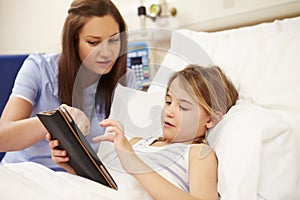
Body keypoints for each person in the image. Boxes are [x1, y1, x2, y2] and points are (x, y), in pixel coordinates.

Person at [49, 64, 239, 199]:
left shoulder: (198, 153)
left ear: (211, 119)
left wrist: (132, 161)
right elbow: (103, 185)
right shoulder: (138, 142)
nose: (169, 111)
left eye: (183, 107)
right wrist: (73, 166)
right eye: (168, 101)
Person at [0, 0, 137, 171]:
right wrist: (58, 120)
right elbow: (2, 138)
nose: (107, 53)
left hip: (80, 178)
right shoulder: (39, 69)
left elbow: (133, 145)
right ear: (74, 41)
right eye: (93, 43)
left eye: (114, 40)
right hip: (27, 173)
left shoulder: (126, 79)